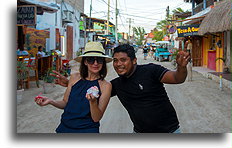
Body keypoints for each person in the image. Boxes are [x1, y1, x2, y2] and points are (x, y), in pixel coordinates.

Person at [52, 44, 190, 133]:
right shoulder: (115, 85)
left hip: (169, 131)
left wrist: (181, 67)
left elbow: (177, 78)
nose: (118, 64)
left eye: (123, 60)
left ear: (134, 60)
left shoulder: (151, 70)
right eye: (116, 60)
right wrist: (70, 83)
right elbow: (91, 90)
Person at [35, 42, 112, 133]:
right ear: (85, 62)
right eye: (91, 59)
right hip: (64, 127)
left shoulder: (106, 86)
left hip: (87, 130)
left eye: (99, 60)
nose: (95, 63)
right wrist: (51, 101)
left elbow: (96, 118)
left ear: (103, 63)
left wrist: (93, 102)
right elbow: (65, 103)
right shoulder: (74, 77)